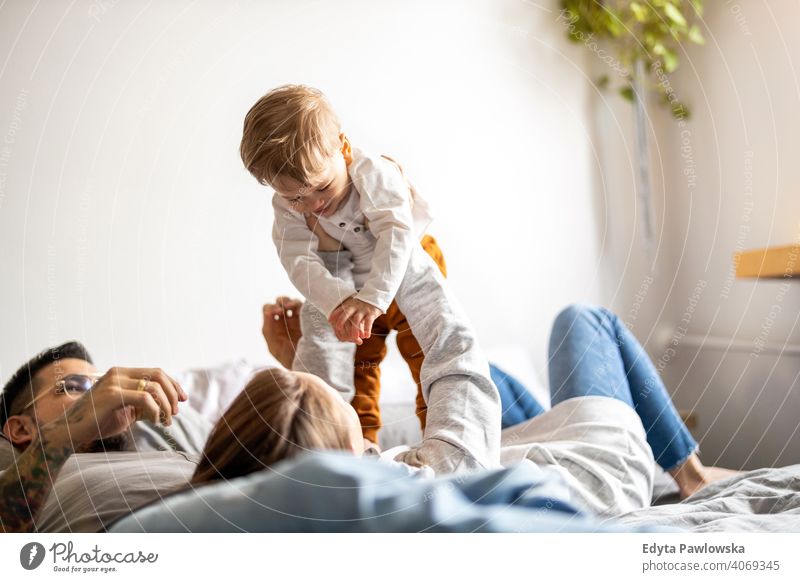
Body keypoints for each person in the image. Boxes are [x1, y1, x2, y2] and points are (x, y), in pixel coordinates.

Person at [240, 84, 498, 455]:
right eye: (294, 197)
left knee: (428, 353)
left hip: (403, 265)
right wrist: (338, 302)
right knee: (357, 367)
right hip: (352, 285)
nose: (313, 206)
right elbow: (299, 260)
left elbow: (396, 234)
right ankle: (357, 449)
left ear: (343, 149)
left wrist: (375, 298)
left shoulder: (373, 173)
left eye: (321, 189)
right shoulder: (287, 207)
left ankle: (438, 443)